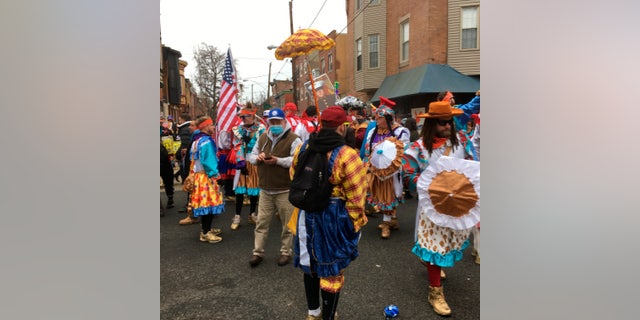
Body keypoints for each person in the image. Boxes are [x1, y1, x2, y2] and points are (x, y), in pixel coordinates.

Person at [290, 106, 368, 320]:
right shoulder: (347, 154)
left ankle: (312, 314)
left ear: (321, 124)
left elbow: (293, 175)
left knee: (311, 265)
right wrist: (354, 223)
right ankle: (328, 316)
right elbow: (357, 194)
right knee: (331, 269)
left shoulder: (305, 146)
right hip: (332, 215)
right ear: (342, 127)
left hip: (306, 214)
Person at [402, 100, 476, 316]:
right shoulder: (419, 148)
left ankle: (431, 263)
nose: (448, 126)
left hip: (459, 204)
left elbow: (473, 165)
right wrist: (430, 188)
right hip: (432, 207)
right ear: (432, 124)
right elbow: (408, 173)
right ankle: (435, 292)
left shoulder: (462, 140)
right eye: (443, 123)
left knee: (450, 243)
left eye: (450, 122)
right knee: (434, 248)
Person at [247, 108, 302, 267]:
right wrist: (257, 158)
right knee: (261, 222)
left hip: (285, 189)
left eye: (278, 121)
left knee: (287, 224)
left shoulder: (294, 139)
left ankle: (286, 252)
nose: (275, 124)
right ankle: (257, 252)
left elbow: (296, 161)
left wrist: (278, 160)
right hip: (265, 189)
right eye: (272, 122)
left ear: (284, 121)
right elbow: (250, 155)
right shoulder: (263, 137)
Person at [362, 96, 410, 239]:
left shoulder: (400, 132)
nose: (376, 121)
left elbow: (404, 149)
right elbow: (367, 149)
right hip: (377, 169)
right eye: (376, 118)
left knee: (388, 195)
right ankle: (392, 219)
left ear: (388, 118)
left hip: (392, 171)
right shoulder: (373, 132)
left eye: (379, 118)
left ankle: (386, 223)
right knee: (381, 195)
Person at [189, 116, 225, 243]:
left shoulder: (196, 140)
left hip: (199, 176)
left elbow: (193, 160)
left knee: (204, 203)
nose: (213, 127)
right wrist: (217, 176)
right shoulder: (207, 141)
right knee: (209, 203)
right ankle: (205, 232)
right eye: (211, 125)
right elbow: (209, 161)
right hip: (207, 176)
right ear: (205, 126)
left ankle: (206, 228)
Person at [230, 106, 266, 230]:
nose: (242, 119)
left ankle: (252, 214)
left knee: (254, 189)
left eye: (244, 117)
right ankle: (237, 216)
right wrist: (241, 161)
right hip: (242, 162)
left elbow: (263, 145)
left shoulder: (261, 129)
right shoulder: (238, 130)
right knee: (240, 191)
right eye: (241, 117)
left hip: (254, 161)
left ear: (252, 116)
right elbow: (236, 146)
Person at [160, 143, 175, 209]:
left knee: (168, 182)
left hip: (164, 165)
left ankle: (170, 199)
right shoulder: (162, 148)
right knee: (168, 182)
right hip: (165, 166)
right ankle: (170, 199)